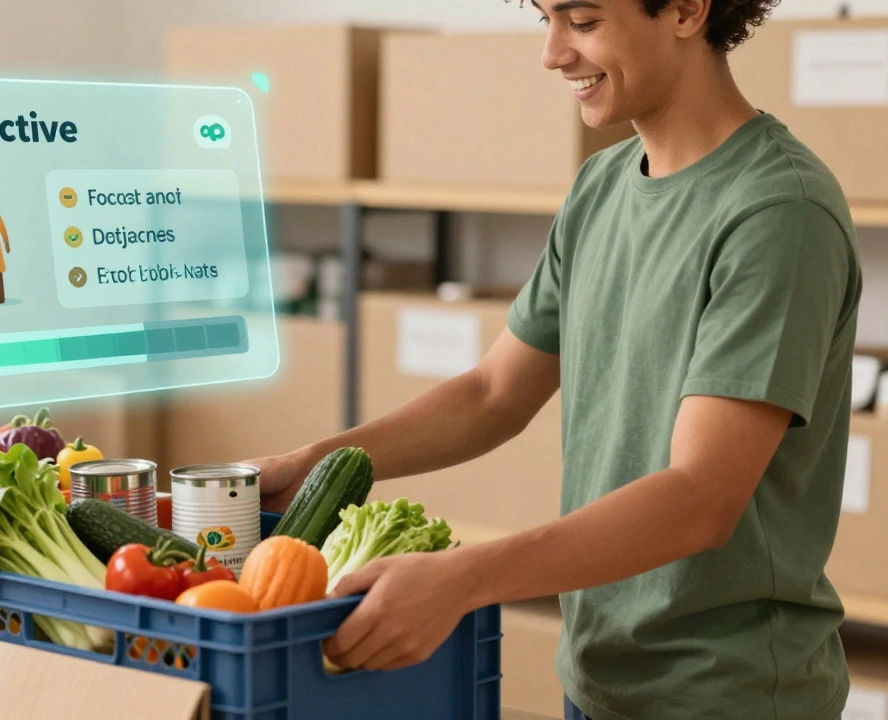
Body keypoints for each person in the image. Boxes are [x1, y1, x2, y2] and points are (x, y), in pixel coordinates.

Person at [248, 0, 863, 718]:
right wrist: (318, 462)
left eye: (583, 20)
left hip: (727, 696)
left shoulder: (777, 211)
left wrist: (463, 578)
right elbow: (492, 393)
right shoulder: (599, 189)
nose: (552, 53)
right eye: (546, 18)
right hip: (599, 678)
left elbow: (701, 497)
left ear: (689, 11)